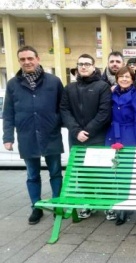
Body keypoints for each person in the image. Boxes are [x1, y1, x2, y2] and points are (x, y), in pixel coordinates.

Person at [2, 45, 64, 225]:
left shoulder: (53, 81)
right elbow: (9, 112)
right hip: (27, 135)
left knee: (55, 173)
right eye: (23, 59)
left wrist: (56, 122)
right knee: (32, 175)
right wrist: (8, 138)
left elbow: (63, 106)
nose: (27, 62)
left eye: (30, 58)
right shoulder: (13, 84)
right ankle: (36, 207)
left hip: (50, 133)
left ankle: (57, 204)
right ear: (19, 61)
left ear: (37, 59)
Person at [60, 53, 112, 219]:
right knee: (83, 175)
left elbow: (104, 112)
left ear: (93, 66)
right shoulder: (69, 88)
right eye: (80, 64)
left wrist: (88, 131)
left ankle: (106, 204)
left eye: (87, 64)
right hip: (76, 139)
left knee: (101, 173)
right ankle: (88, 204)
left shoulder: (102, 86)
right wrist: (76, 131)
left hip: (96, 138)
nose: (83, 67)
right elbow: (64, 111)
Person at [105, 66, 136, 225]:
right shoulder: (111, 93)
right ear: (116, 79)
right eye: (121, 76)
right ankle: (114, 203)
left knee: (125, 173)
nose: (124, 79)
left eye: (127, 77)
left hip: (128, 135)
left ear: (132, 79)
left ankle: (124, 207)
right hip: (112, 135)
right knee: (113, 170)